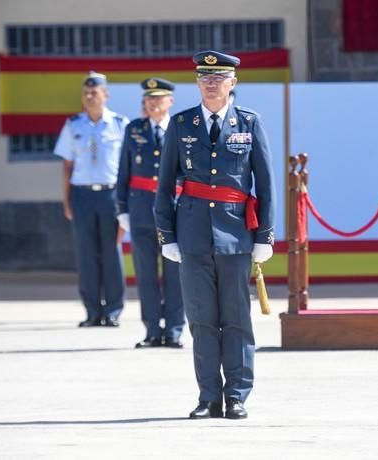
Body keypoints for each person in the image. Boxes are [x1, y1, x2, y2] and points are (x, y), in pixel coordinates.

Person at [154, 50, 275, 419]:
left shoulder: (249, 123)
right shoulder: (181, 124)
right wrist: (167, 235)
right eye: (205, 78)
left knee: (236, 319)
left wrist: (264, 236)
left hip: (236, 235)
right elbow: (164, 186)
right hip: (191, 235)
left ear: (232, 83)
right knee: (202, 320)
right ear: (196, 82)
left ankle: (237, 395)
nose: (211, 83)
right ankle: (208, 397)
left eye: (219, 77)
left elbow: (265, 183)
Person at [54, 72, 128, 327]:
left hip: (111, 194)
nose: (89, 97)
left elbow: (127, 169)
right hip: (82, 195)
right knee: (86, 254)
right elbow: (66, 166)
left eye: (94, 93)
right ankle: (92, 311)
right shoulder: (74, 125)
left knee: (111, 251)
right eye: (85, 93)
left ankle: (114, 310)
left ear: (105, 95)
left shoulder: (120, 124)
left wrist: (125, 204)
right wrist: (67, 202)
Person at [116, 78, 185, 348]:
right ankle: (152, 330)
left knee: (175, 273)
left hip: (174, 211)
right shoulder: (134, 130)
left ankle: (175, 330)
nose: (153, 103)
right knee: (145, 273)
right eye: (149, 98)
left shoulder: (181, 129)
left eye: (159, 98)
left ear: (171, 101)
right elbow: (124, 172)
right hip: (141, 210)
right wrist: (122, 209)